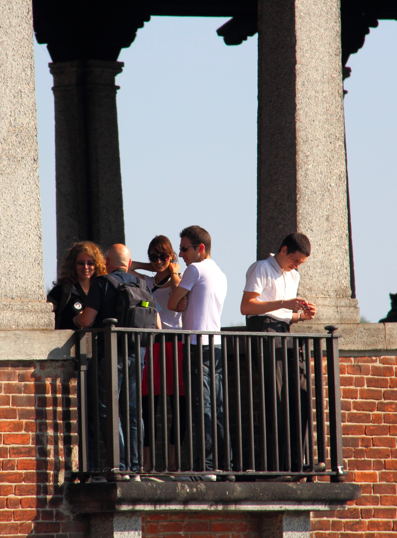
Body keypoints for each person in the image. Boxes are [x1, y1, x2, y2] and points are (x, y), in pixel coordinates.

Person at [73, 244, 161, 479]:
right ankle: (136, 467)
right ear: (129, 263)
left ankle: (118, 465)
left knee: (107, 410)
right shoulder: (142, 285)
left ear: (108, 262)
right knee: (133, 412)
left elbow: (86, 319)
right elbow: (158, 325)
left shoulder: (102, 283)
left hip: (110, 356)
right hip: (138, 355)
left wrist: (76, 318)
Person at [240, 232, 316, 472]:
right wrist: (284, 304)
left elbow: (284, 314)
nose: (296, 266)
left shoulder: (294, 276)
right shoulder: (260, 268)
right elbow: (247, 306)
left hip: (284, 332)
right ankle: (275, 463)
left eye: (300, 263)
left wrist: (302, 316)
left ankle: (297, 459)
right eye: (295, 260)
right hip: (264, 331)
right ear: (283, 250)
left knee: (299, 394)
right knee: (275, 397)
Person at [168, 226, 227, 479]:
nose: (181, 254)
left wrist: (179, 293)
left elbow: (172, 303)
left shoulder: (195, 269)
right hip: (215, 346)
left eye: (184, 248)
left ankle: (205, 468)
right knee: (216, 407)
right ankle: (222, 464)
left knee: (200, 407)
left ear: (199, 248)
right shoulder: (220, 273)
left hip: (196, 345)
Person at [129, 235, 187, 471]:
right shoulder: (147, 282)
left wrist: (172, 269)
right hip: (153, 345)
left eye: (163, 256)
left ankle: (174, 460)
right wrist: (150, 264)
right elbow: (127, 265)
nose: (158, 260)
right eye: (154, 256)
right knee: (149, 403)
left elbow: (178, 293)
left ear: (171, 256)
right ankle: (147, 460)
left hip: (177, 344)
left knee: (178, 404)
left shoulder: (180, 279)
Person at [47, 241, 107, 330]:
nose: (86, 267)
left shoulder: (102, 291)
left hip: (95, 343)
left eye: (90, 263)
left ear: (97, 265)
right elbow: (42, 315)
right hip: (65, 343)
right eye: (81, 263)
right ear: (73, 264)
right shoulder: (62, 290)